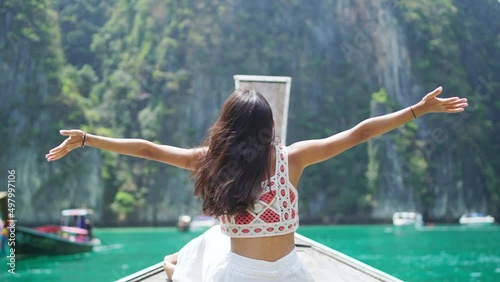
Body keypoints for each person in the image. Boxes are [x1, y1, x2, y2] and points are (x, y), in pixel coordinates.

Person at [45, 87, 467, 281]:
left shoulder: (210, 162)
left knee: (209, 241)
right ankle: (176, 267)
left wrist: (87, 138)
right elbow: (358, 134)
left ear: (227, 127)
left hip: (234, 276)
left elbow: (149, 149)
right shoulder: (292, 159)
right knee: (209, 240)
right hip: (288, 274)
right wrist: (417, 110)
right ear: (269, 127)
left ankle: (173, 270)